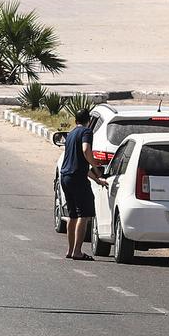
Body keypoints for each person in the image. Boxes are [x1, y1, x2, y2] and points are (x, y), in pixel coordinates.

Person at [60, 108, 108, 260]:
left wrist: (96, 179)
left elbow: (79, 164)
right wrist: (96, 167)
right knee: (84, 214)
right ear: (89, 121)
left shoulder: (71, 134)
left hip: (65, 176)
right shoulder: (86, 132)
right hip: (77, 179)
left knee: (72, 216)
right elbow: (86, 150)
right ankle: (77, 251)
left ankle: (70, 250)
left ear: (76, 121)